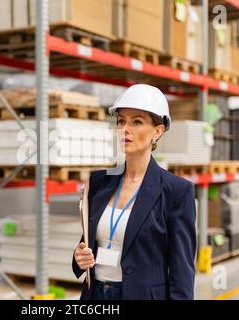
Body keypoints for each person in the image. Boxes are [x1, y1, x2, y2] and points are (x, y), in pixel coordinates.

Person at [72, 84, 197, 300]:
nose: (125, 129)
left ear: (157, 131)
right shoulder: (100, 182)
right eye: (121, 121)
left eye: (136, 121)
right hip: (96, 295)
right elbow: (89, 242)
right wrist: (78, 257)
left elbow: (182, 272)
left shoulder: (177, 192)